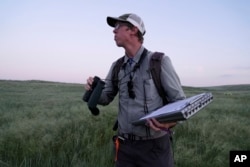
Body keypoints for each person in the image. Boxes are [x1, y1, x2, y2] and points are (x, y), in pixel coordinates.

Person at [85, 13, 186, 167]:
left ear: (133, 30)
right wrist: (94, 91)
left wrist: (168, 123)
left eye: (118, 27)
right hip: (124, 147)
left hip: (155, 147)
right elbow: (105, 98)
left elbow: (180, 103)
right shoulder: (117, 66)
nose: (113, 31)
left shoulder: (159, 61)